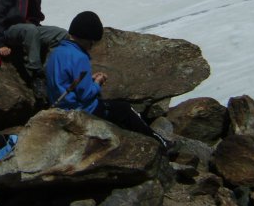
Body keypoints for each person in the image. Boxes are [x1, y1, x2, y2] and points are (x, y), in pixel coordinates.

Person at [45, 11, 170, 148]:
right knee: (125, 109)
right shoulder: (79, 57)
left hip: (60, 107)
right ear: (87, 37)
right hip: (80, 110)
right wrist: (97, 83)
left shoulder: (58, 52)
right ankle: (159, 143)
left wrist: (89, 80)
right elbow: (86, 95)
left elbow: (65, 82)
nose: (92, 45)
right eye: (92, 41)